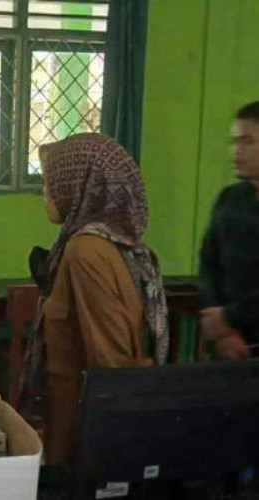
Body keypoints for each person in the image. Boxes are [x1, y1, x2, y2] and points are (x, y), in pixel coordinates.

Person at [21, 133, 168, 465]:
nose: (45, 191)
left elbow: (109, 363)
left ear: (81, 183)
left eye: (50, 181)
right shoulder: (115, 243)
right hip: (83, 427)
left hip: (84, 439)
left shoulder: (86, 252)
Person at [199, 101, 259, 360]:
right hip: (229, 343)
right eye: (233, 142)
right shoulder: (230, 199)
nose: (237, 151)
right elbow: (208, 263)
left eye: (247, 142)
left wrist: (227, 317)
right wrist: (221, 331)